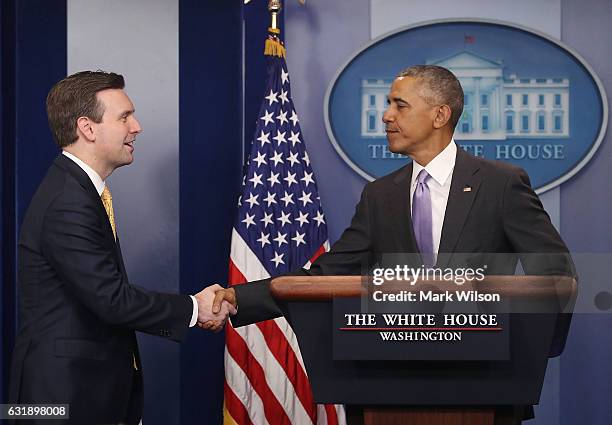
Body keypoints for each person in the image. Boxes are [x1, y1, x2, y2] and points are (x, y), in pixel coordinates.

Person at [210, 65, 576, 424]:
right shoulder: (381, 194)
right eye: (388, 104)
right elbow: (327, 273)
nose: (386, 116)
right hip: (387, 384)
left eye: (400, 105)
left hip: (486, 386)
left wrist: (533, 350)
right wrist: (241, 298)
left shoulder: (501, 184)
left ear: (439, 115)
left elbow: (555, 274)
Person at [8, 71, 233, 425]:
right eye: (124, 116)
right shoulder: (69, 201)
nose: (137, 126)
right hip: (61, 401)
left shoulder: (77, 191)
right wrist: (195, 308)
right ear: (87, 128)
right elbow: (111, 300)